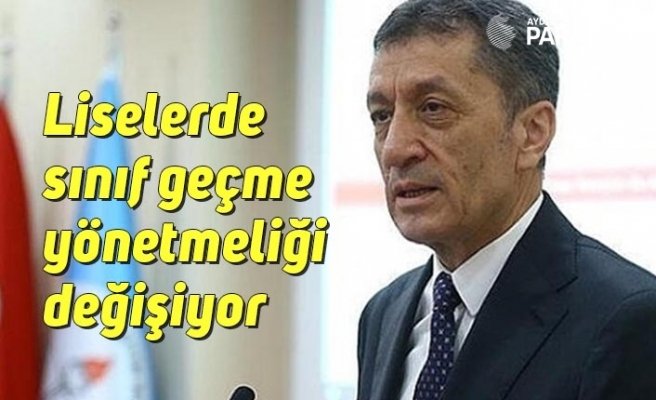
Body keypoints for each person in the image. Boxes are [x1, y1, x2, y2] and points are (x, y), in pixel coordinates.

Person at [357, 0, 656, 399]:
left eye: (433, 108)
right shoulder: (384, 313)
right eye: (382, 115)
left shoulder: (626, 320)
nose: (395, 149)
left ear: (532, 132)